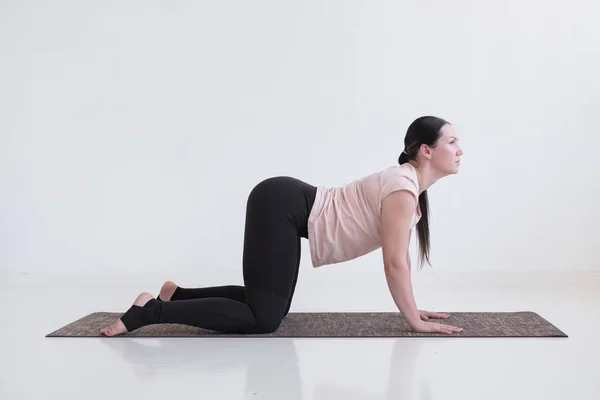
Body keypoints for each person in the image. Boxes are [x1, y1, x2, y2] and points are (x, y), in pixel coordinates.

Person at [101, 116, 465, 336]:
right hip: (284, 206)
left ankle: (175, 295)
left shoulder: (406, 186)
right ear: (426, 151)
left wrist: (414, 310)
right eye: (452, 141)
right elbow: (394, 263)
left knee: (270, 307)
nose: (460, 149)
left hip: (287, 206)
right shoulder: (402, 188)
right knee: (264, 318)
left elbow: (395, 262)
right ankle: (149, 312)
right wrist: (414, 319)